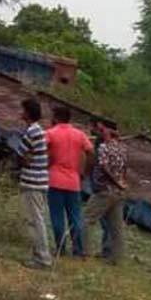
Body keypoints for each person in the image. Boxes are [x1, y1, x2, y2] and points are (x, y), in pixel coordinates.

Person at [44, 105, 94, 258]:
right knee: (75, 217)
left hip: (55, 180)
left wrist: (46, 164)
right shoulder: (79, 134)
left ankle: (60, 249)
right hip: (74, 182)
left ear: (56, 117)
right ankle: (78, 250)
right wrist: (85, 172)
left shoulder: (51, 133)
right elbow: (91, 152)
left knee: (57, 217)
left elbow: (40, 149)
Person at [82, 118, 127, 264]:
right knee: (116, 227)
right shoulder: (122, 147)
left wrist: (115, 181)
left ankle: (84, 251)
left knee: (87, 219)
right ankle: (116, 258)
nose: (98, 132)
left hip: (105, 190)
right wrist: (121, 182)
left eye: (101, 130)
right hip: (118, 192)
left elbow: (103, 166)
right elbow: (124, 168)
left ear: (107, 131)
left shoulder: (103, 147)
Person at [15, 97, 53, 269]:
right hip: (40, 180)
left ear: (28, 113)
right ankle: (40, 255)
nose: (20, 113)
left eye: (23, 110)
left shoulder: (32, 132)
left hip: (33, 181)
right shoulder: (38, 130)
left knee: (35, 221)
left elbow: (20, 155)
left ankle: (42, 258)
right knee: (37, 219)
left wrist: (26, 159)